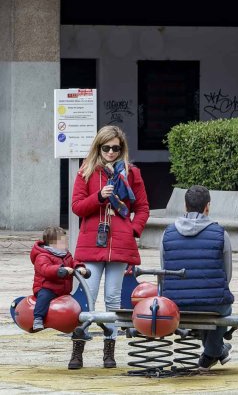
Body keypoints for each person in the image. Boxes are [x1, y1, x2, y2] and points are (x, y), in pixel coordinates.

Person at [69, 125, 149, 370]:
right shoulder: (86, 172)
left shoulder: (132, 174)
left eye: (116, 148)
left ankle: (109, 350)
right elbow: (77, 207)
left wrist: (132, 230)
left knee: (113, 298)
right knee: (87, 297)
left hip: (120, 244)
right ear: (98, 147)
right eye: (106, 148)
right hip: (93, 241)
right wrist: (100, 197)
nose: (111, 152)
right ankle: (77, 351)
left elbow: (143, 208)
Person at [160, 185, 236, 369]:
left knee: (205, 300)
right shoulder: (220, 234)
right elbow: (227, 273)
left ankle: (215, 352)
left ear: (185, 207)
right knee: (222, 305)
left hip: (175, 303)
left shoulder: (167, 233)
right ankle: (213, 352)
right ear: (207, 206)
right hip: (212, 302)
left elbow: (164, 270)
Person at [30, 226, 86, 332]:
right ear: (52, 243)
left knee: (75, 302)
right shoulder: (42, 256)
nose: (66, 243)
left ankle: (77, 321)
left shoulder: (66, 255)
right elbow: (45, 269)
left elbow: (73, 262)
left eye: (66, 241)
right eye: (63, 241)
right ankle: (38, 319)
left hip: (63, 289)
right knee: (44, 297)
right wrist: (59, 270)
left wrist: (79, 267)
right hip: (47, 287)